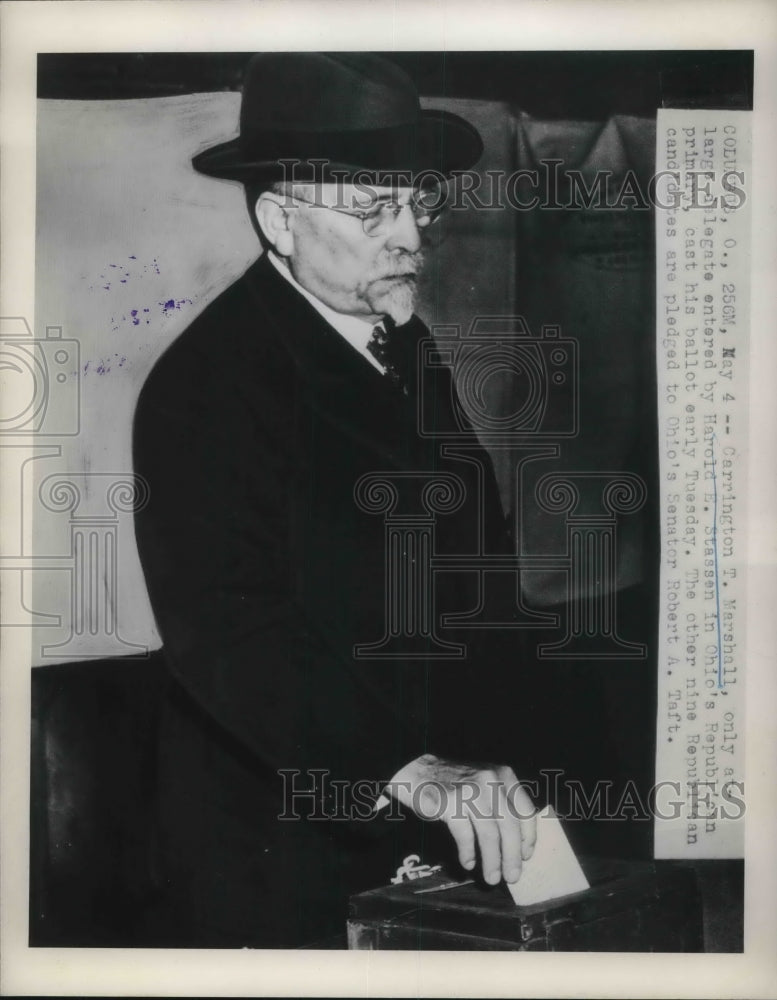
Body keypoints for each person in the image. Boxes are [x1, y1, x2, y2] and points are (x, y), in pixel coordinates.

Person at [133, 52, 536, 948]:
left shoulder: (405, 344)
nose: (410, 238)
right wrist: (408, 769)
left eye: (416, 202)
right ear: (280, 220)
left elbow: (476, 565)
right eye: (370, 211)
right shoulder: (204, 382)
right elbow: (229, 628)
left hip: (438, 819)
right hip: (278, 844)